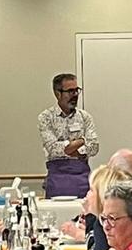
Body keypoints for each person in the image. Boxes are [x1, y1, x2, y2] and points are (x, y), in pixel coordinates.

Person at [38, 71, 99, 199]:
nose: (75, 95)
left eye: (77, 90)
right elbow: (53, 149)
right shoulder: (46, 117)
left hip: (81, 178)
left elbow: (94, 147)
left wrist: (72, 150)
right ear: (57, 93)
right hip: (57, 179)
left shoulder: (85, 117)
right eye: (70, 91)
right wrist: (82, 141)